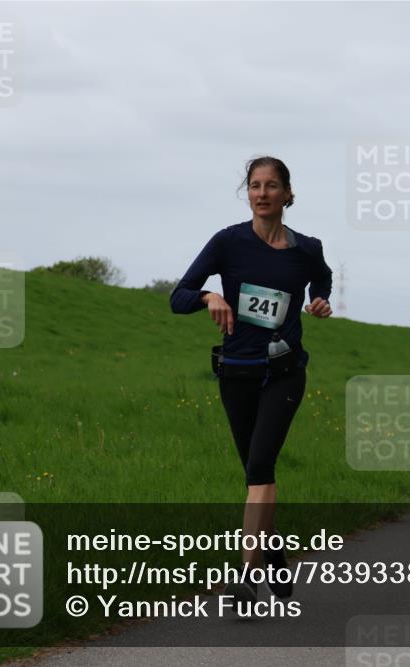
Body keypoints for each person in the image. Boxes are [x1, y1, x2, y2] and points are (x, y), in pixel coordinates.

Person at [170, 156, 333, 604]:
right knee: (254, 476)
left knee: (261, 466)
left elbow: (322, 278)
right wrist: (209, 296)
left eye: (271, 185)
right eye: (255, 185)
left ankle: (247, 574)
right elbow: (177, 296)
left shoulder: (307, 249)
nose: (262, 193)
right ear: (248, 193)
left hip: (283, 373)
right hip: (235, 374)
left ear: (287, 194)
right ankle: (276, 559)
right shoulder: (228, 243)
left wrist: (319, 299)